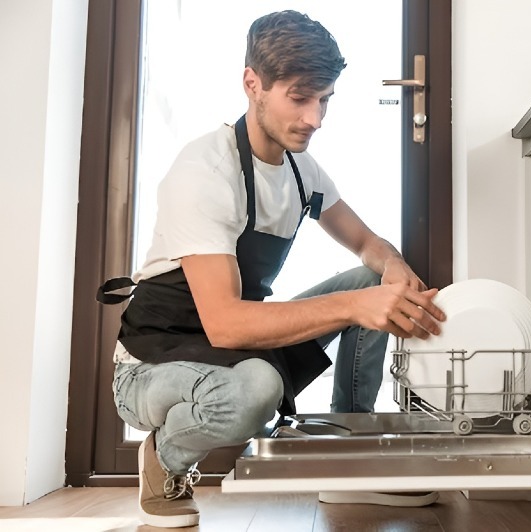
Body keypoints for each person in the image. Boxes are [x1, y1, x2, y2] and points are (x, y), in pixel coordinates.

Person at [97, 10, 445, 529]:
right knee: (259, 388)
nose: (315, 118)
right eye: (300, 97)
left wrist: (395, 274)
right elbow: (226, 324)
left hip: (231, 349)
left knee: (374, 281)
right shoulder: (205, 173)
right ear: (252, 84)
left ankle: (349, 452)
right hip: (151, 364)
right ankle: (165, 458)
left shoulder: (303, 170)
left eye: (325, 99)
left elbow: (369, 244)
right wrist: (354, 307)